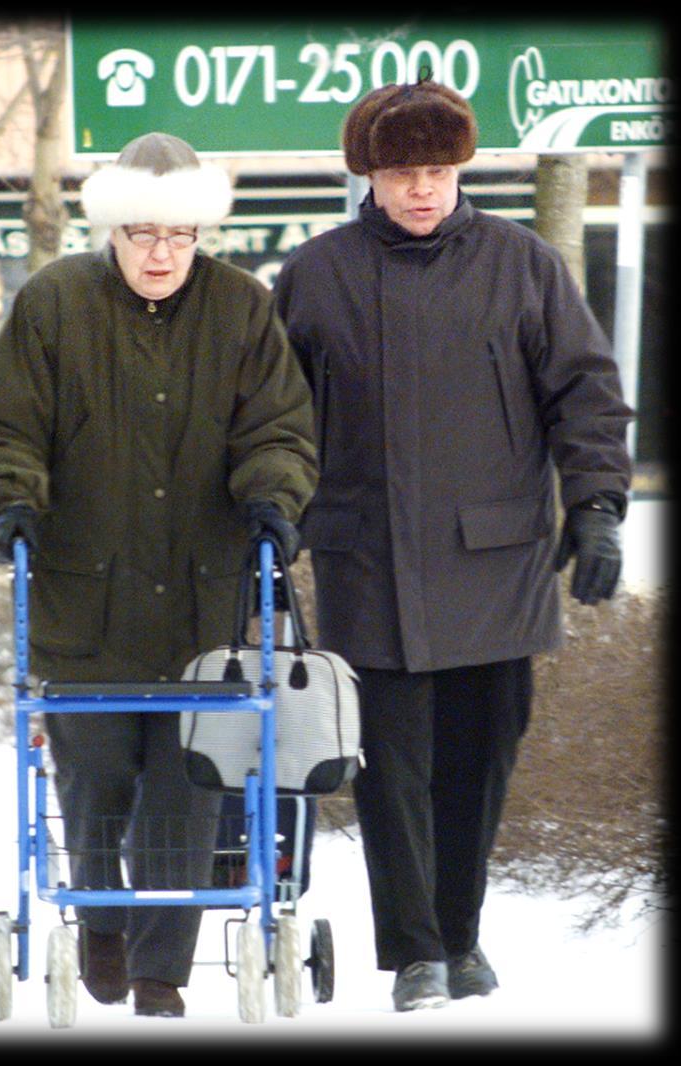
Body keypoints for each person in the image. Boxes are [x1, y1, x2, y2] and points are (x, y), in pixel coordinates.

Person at [272, 78, 633, 1012]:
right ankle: (418, 953)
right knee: (390, 769)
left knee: (479, 761)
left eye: (435, 170)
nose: (421, 190)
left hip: (496, 560)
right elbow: (278, 421)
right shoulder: (316, 274)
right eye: (402, 174)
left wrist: (596, 506)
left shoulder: (525, 265)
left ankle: (461, 938)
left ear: (460, 169)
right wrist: (272, 508)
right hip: (367, 562)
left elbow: (585, 391)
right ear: (371, 178)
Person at [0, 132, 318, 1019]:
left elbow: (277, 427)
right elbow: (2, 424)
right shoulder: (53, 303)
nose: (162, 254)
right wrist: (10, 499)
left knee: (188, 784)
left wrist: (274, 497)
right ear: (112, 231)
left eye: (181, 236)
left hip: (207, 598)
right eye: (144, 234)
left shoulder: (241, 309)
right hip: (88, 592)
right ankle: (101, 921)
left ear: (202, 235)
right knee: (98, 774)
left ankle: (163, 971)